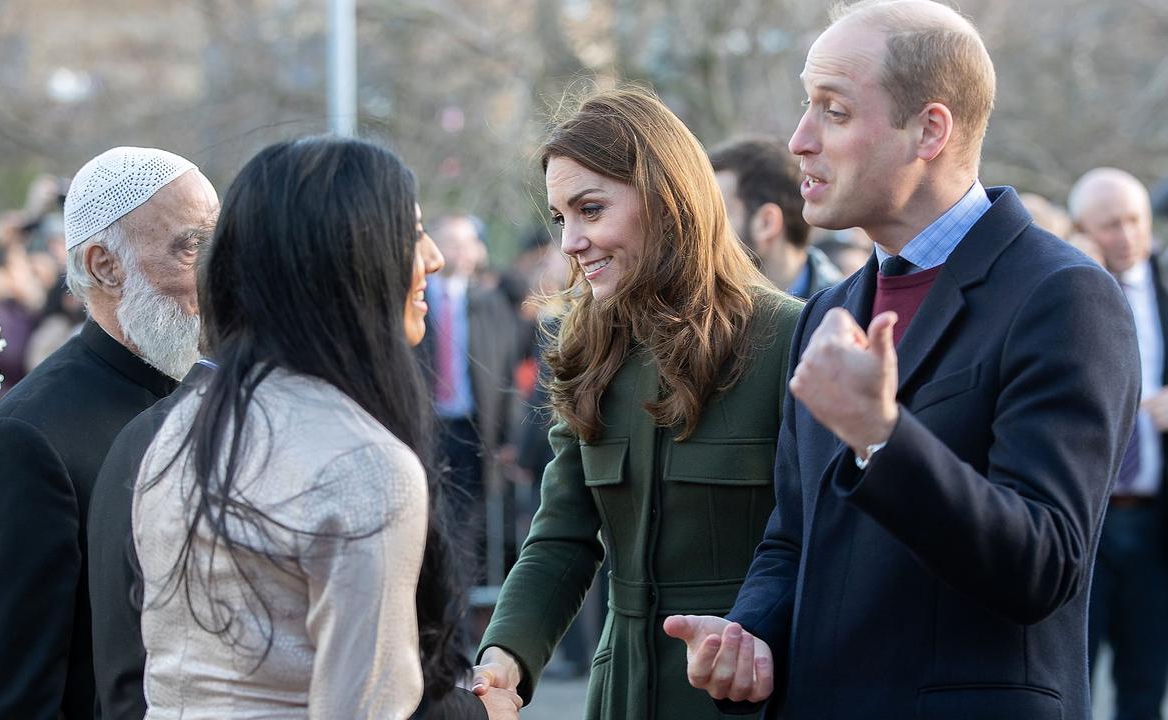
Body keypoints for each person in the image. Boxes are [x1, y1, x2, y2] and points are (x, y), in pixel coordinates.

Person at [665, 3, 1140, 718]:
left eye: (832, 110)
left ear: (929, 129)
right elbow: (792, 536)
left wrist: (882, 437)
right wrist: (748, 633)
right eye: (806, 107)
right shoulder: (829, 310)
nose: (798, 140)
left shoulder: (1063, 295)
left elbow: (1044, 565)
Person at [131, 137, 519, 720]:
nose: (433, 258)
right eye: (410, 232)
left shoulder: (190, 421)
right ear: (348, 261)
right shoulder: (363, 467)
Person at [470, 87, 803, 720]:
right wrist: (504, 660)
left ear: (666, 201)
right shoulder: (587, 346)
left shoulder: (788, 338)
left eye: (591, 209)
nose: (570, 241)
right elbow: (562, 536)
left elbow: (820, 547)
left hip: (750, 702)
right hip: (621, 698)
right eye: (561, 216)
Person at [0, 146, 217, 719]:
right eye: (192, 246)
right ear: (103, 265)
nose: (217, 273)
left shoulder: (206, 395)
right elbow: (14, 701)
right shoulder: (26, 441)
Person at [1070, 167, 1168, 720]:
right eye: (1110, 226)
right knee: (1073, 682)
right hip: (1087, 521)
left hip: (1154, 525)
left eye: (1135, 221)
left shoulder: (1165, 285)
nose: (1127, 236)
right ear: (1084, 229)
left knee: (1144, 684)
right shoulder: (1064, 292)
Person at [418, 213, 521, 584]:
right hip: (423, 428)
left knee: (463, 530)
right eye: (451, 242)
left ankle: (456, 615)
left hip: (472, 432)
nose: (460, 252)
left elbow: (508, 373)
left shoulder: (490, 304)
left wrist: (509, 437)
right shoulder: (413, 299)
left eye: (466, 244)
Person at [711, 137, 842, 298]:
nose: (703, 229)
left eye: (717, 214)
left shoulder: (852, 314)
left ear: (766, 223)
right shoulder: (703, 307)